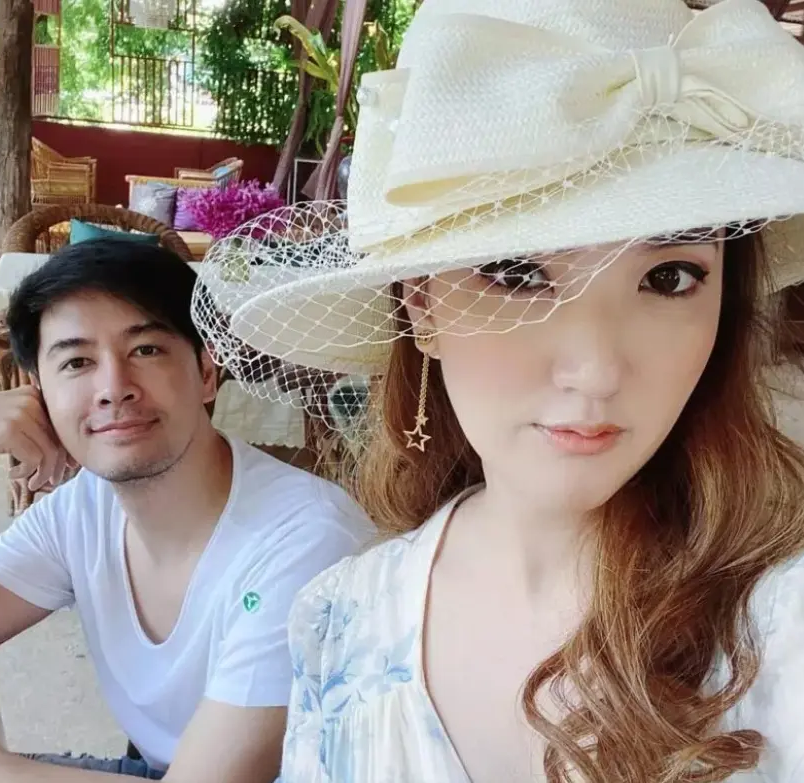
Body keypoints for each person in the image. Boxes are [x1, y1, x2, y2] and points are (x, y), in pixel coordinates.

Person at [191, 0, 804, 780]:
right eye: (516, 273)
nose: (596, 370)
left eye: (669, 277)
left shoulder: (778, 630)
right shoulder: (337, 618)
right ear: (420, 304)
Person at [0, 239, 371, 781]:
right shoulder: (82, 510)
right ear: (39, 393)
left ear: (207, 372)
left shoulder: (307, 540)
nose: (114, 389)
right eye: (77, 362)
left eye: (146, 350)